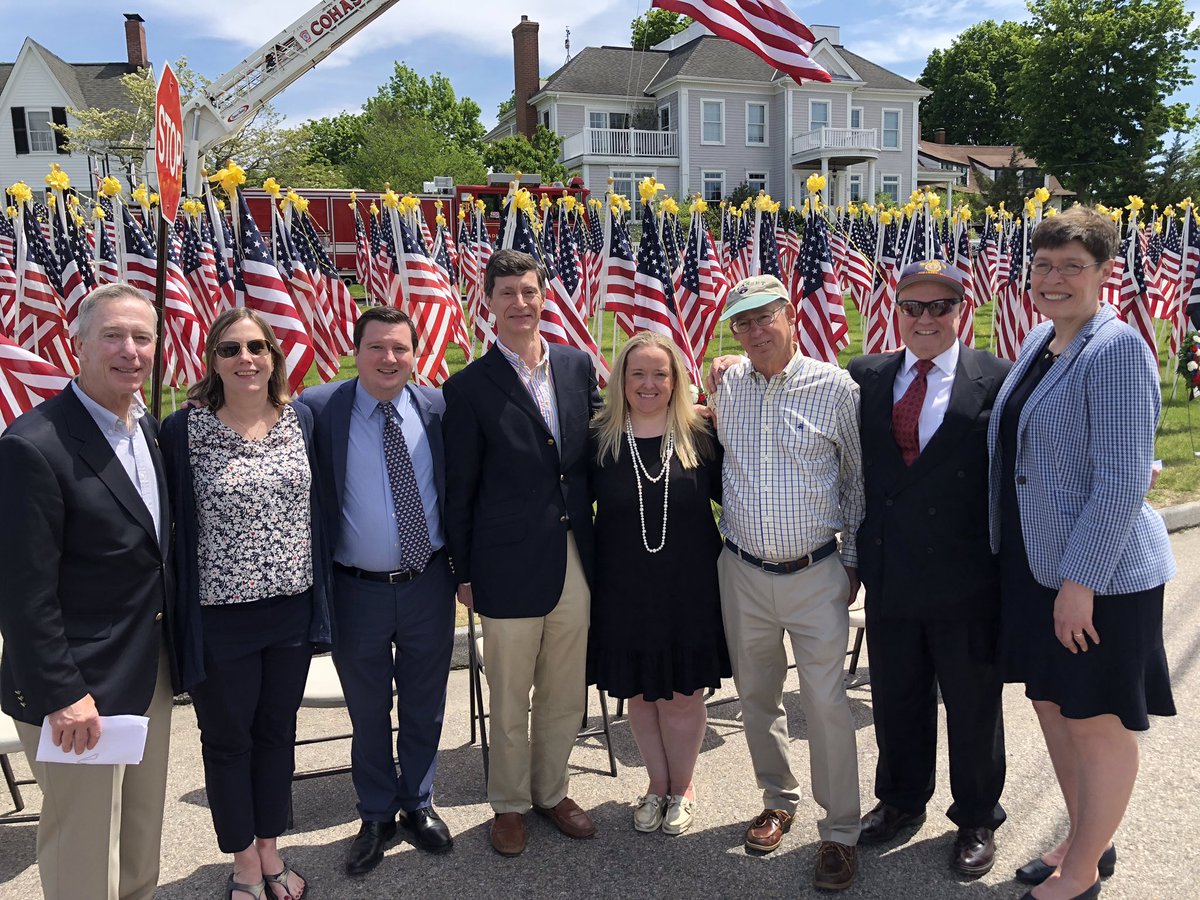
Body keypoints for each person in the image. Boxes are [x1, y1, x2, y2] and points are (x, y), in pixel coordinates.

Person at [988, 206, 1175, 900]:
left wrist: (1080, 583)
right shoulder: (1043, 338)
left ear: (1104, 271)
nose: (1054, 278)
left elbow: (1123, 481)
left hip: (1101, 578)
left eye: (1073, 265)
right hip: (1035, 565)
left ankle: (1083, 869)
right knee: (1052, 706)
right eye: (1043, 264)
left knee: (1095, 721)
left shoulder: (1116, 350)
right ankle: (1084, 837)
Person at [0, 283, 176, 900]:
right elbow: (22, 593)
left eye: (143, 337)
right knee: (84, 849)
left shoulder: (144, 427)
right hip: (76, 689)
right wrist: (63, 694)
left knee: (141, 833)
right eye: (113, 336)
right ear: (77, 345)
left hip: (147, 669)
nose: (130, 350)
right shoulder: (32, 446)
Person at [847, 259, 1011, 876]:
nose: (926, 319)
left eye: (940, 306)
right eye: (913, 307)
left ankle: (976, 816)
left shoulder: (998, 377)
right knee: (896, 697)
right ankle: (899, 800)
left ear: (961, 311)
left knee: (972, 706)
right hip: (891, 570)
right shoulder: (866, 375)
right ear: (896, 312)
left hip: (967, 576)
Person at [160, 308, 330, 900]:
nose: (246, 359)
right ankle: (244, 863)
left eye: (257, 347)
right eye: (230, 349)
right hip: (218, 619)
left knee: (277, 734)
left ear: (274, 356)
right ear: (213, 360)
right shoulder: (183, 430)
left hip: (291, 613)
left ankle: (271, 848)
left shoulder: (301, 420)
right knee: (228, 741)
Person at [706, 274, 865, 891]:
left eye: (764, 317)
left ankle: (840, 831)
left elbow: (856, 482)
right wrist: (715, 370)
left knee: (825, 704)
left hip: (815, 570)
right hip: (742, 570)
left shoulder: (836, 388)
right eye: (742, 323)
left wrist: (851, 561)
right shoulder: (727, 386)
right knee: (755, 697)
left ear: (790, 315)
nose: (754, 332)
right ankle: (777, 800)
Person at [443, 248, 603, 857]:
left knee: (564, 689)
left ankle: (551, 791)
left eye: (529, 291)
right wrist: (463, 571)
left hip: (574, 556)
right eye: (506, 292)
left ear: (544, 297)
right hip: (504, 565)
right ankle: (508, 804)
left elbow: (601, 446)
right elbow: (459, 489)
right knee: (510, 695)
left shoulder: (576, 365)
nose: (519, 303)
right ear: (488, 301)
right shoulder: (468, 387)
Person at [296, 306, 457, 875]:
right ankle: (375, 814)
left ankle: (419, 802)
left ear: (415, 354)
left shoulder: (437, 408)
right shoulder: (318, 409)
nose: (389, 358)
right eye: (377, 347)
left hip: (428, 583)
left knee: (425, 704)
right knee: (368, 711)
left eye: (400, 348)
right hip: (355, 589)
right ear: (355, 351)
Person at [587, 332, 730, 836]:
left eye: (660, 374)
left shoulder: (702, 435)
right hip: (623, 589)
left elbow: (739, 492)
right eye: (638, 374)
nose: (648, 384)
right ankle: (656, 784)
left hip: (690, 590)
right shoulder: (599, 439)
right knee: (641, 694)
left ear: (676, 381)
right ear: (621, 380)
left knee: (683, 694)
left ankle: (683, 787)